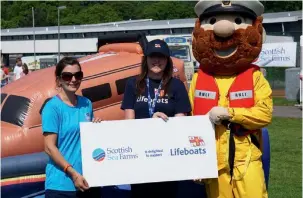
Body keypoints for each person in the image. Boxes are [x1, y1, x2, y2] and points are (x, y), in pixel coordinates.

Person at [190, 1, 273, 198]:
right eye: (213, 21)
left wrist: (230, 113)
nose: (223, 28)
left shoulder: (255, 77)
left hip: (247, 158)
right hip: (213, 161)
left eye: (237, 21)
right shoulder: (198, 79)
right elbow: (191, 121)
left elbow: (264, 114)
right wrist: (196, 161)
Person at [121, 39, 192, 198]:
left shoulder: (177, 86)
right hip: (140, 157)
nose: (157, 60)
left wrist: (161, 125)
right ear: (145, 59)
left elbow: (181, 124)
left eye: (161, 57)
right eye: (153, 56)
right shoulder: (133, 84)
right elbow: (128, 124)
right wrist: (150, 124)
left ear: (168, 60)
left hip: (168, 157)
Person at [41, 57, 102, 198]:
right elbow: (49, 148)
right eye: (67, 76)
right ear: (59, 80)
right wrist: (72, 173)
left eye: (78, 75)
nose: (73, 79)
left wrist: (96, 126)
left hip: (88, 181)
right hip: (61, 185)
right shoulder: (52, 107)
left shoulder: (87, 103)